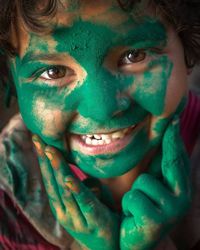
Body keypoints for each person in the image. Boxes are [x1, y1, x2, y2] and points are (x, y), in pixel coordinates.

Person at [0, 0, 200, 249]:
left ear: (189, 46)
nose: (102, 109)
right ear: (9, 81)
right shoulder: (8, 197)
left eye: (134, 55)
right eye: (53, 72)